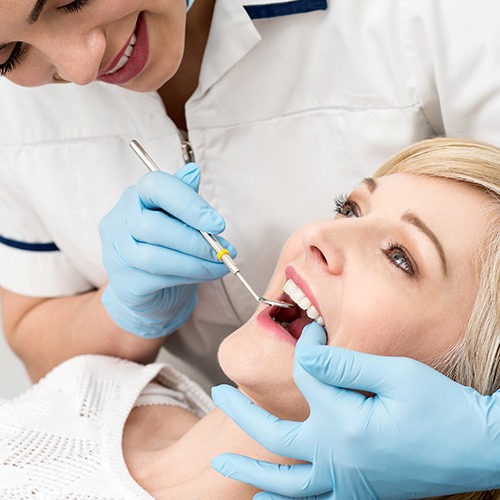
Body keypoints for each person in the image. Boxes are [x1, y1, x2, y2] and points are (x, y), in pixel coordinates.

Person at [1, 0, 500, 497]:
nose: (80, 69)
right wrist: (123, 316)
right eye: (346, 208)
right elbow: (31, 323)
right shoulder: (87, 398)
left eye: (400, 258)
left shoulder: (437, 17)